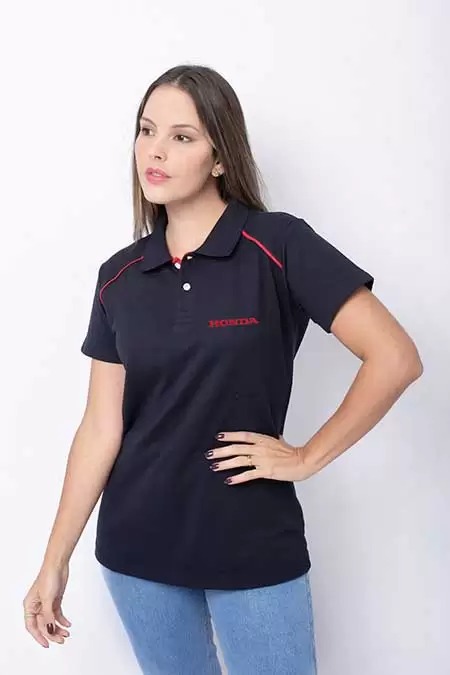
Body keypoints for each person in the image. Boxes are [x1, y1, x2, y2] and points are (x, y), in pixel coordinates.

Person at [23, 64, 423, 674]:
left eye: (182, 136)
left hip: (251, 542)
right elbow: (101, 427)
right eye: (147, 130)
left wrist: (307, 456)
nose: (155, 150)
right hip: (137, 549)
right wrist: (54, 561)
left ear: (219, 158)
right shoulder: (119, 276)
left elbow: (395, 357)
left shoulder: (278, 244)